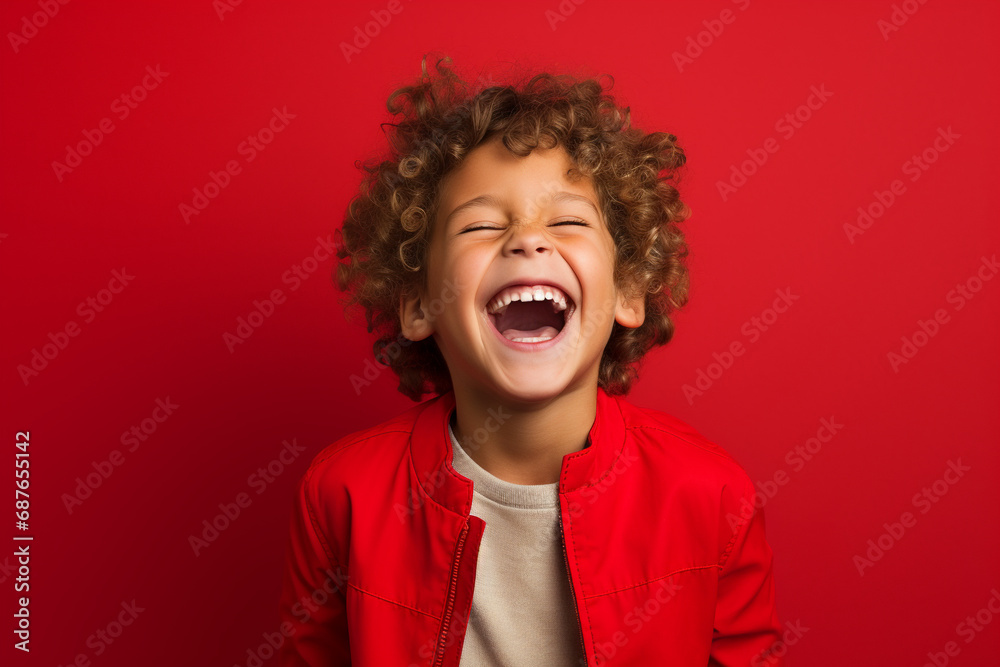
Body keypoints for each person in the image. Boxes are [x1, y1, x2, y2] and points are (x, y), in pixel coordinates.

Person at [278, 55, 783, 666]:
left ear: (627, 291)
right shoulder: (342, 494)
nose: (527, 238)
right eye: (480, 226)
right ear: (417, 303)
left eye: (568, 220)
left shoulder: (711, 494)